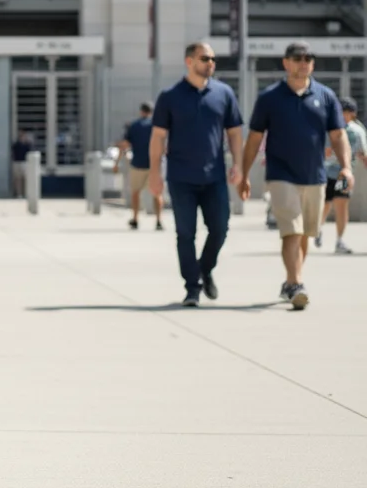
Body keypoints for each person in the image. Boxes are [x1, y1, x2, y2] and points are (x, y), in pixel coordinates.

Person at [239, 42, 352, 309]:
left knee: (304, 234)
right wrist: (244, 174)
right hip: (281, 174)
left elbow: (338, 135)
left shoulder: (325, 96)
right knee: (291, 230)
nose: (304, 62)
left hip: (314, 176)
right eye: (298, 58)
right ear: (286, 63)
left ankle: (290, 282)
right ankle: (296, 283)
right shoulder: (270, 97)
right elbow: (254, 139)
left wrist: (346, 166)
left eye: (309, 58)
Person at [149, 42, 244, 307]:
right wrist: (154, 173)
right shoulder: (170, 96)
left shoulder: (224, 94)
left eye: (213, 58)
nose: (211, 62)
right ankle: (192, 287)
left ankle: (204, 268)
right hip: (181, 178)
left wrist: (238, 164)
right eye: (205, 58)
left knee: (220, 228)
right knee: (185, 233)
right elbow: (158, 136)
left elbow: (234, 132)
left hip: (214, 177)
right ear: (189, 61)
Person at [315, 97, 367, 254]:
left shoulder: (356, 132)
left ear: (352, 115)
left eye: (344, 113)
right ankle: (318, 228)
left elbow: (362, 153)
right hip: (325, 173)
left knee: (341, 204)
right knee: (324, 204)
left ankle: (339, 240)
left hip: (343, 175)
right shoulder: (326, 128)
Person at [117, 102, 163, 230]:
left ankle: (136, 219)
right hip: (154, 165)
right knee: (157, 193)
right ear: (152, 112)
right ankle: (159, 220)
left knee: (135, 192)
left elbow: (125, 144)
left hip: (137, 164)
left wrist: (116, 162)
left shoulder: (134, 126)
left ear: (141, 111)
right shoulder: (156, 126)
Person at [11, 131, 33, 198]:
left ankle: (26, 193)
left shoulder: (27, 145)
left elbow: (30, 152)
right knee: (17, 179)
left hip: (25, 163)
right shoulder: (16, 145)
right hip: (17, 162)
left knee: (25, 178)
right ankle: (18, 193)